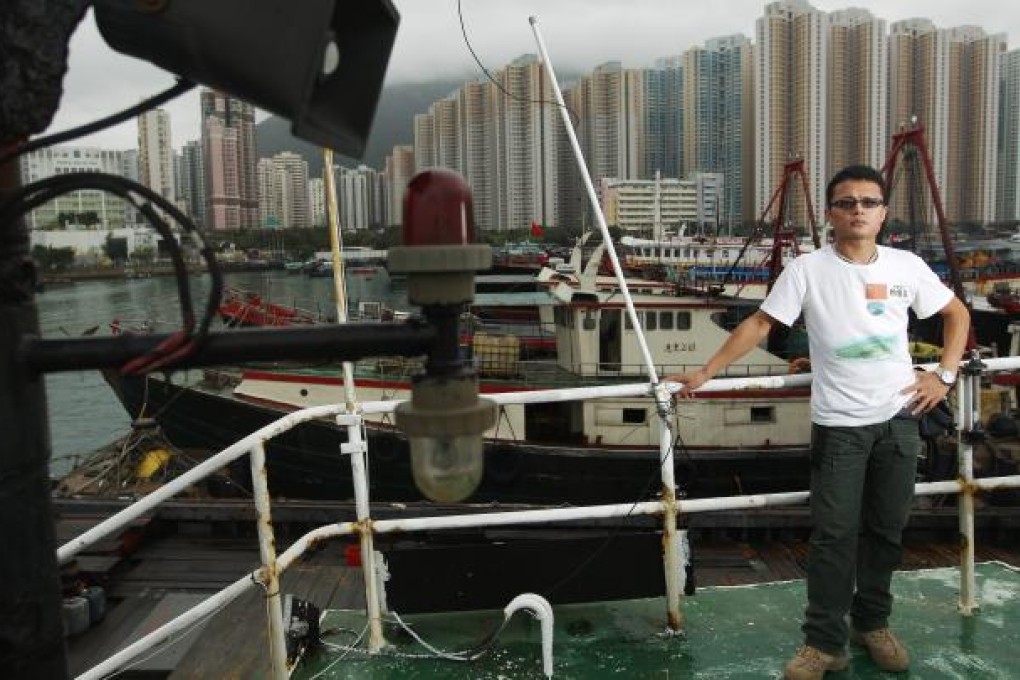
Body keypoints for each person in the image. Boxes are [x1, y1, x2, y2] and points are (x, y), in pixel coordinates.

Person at [665, 164, 970, 679]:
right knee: (833, 535)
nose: (858, 210)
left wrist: (943, 374)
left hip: (900, 419)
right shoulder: (808, 270)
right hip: (840, 427)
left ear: (883, 212)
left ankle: (872, 624)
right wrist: (707, 370)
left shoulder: (906, 266)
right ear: (832, 213)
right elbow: (762, 322)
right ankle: (823, 643)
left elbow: (957, 314)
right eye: (847, 202)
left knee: (887, 531)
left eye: (868, 202)